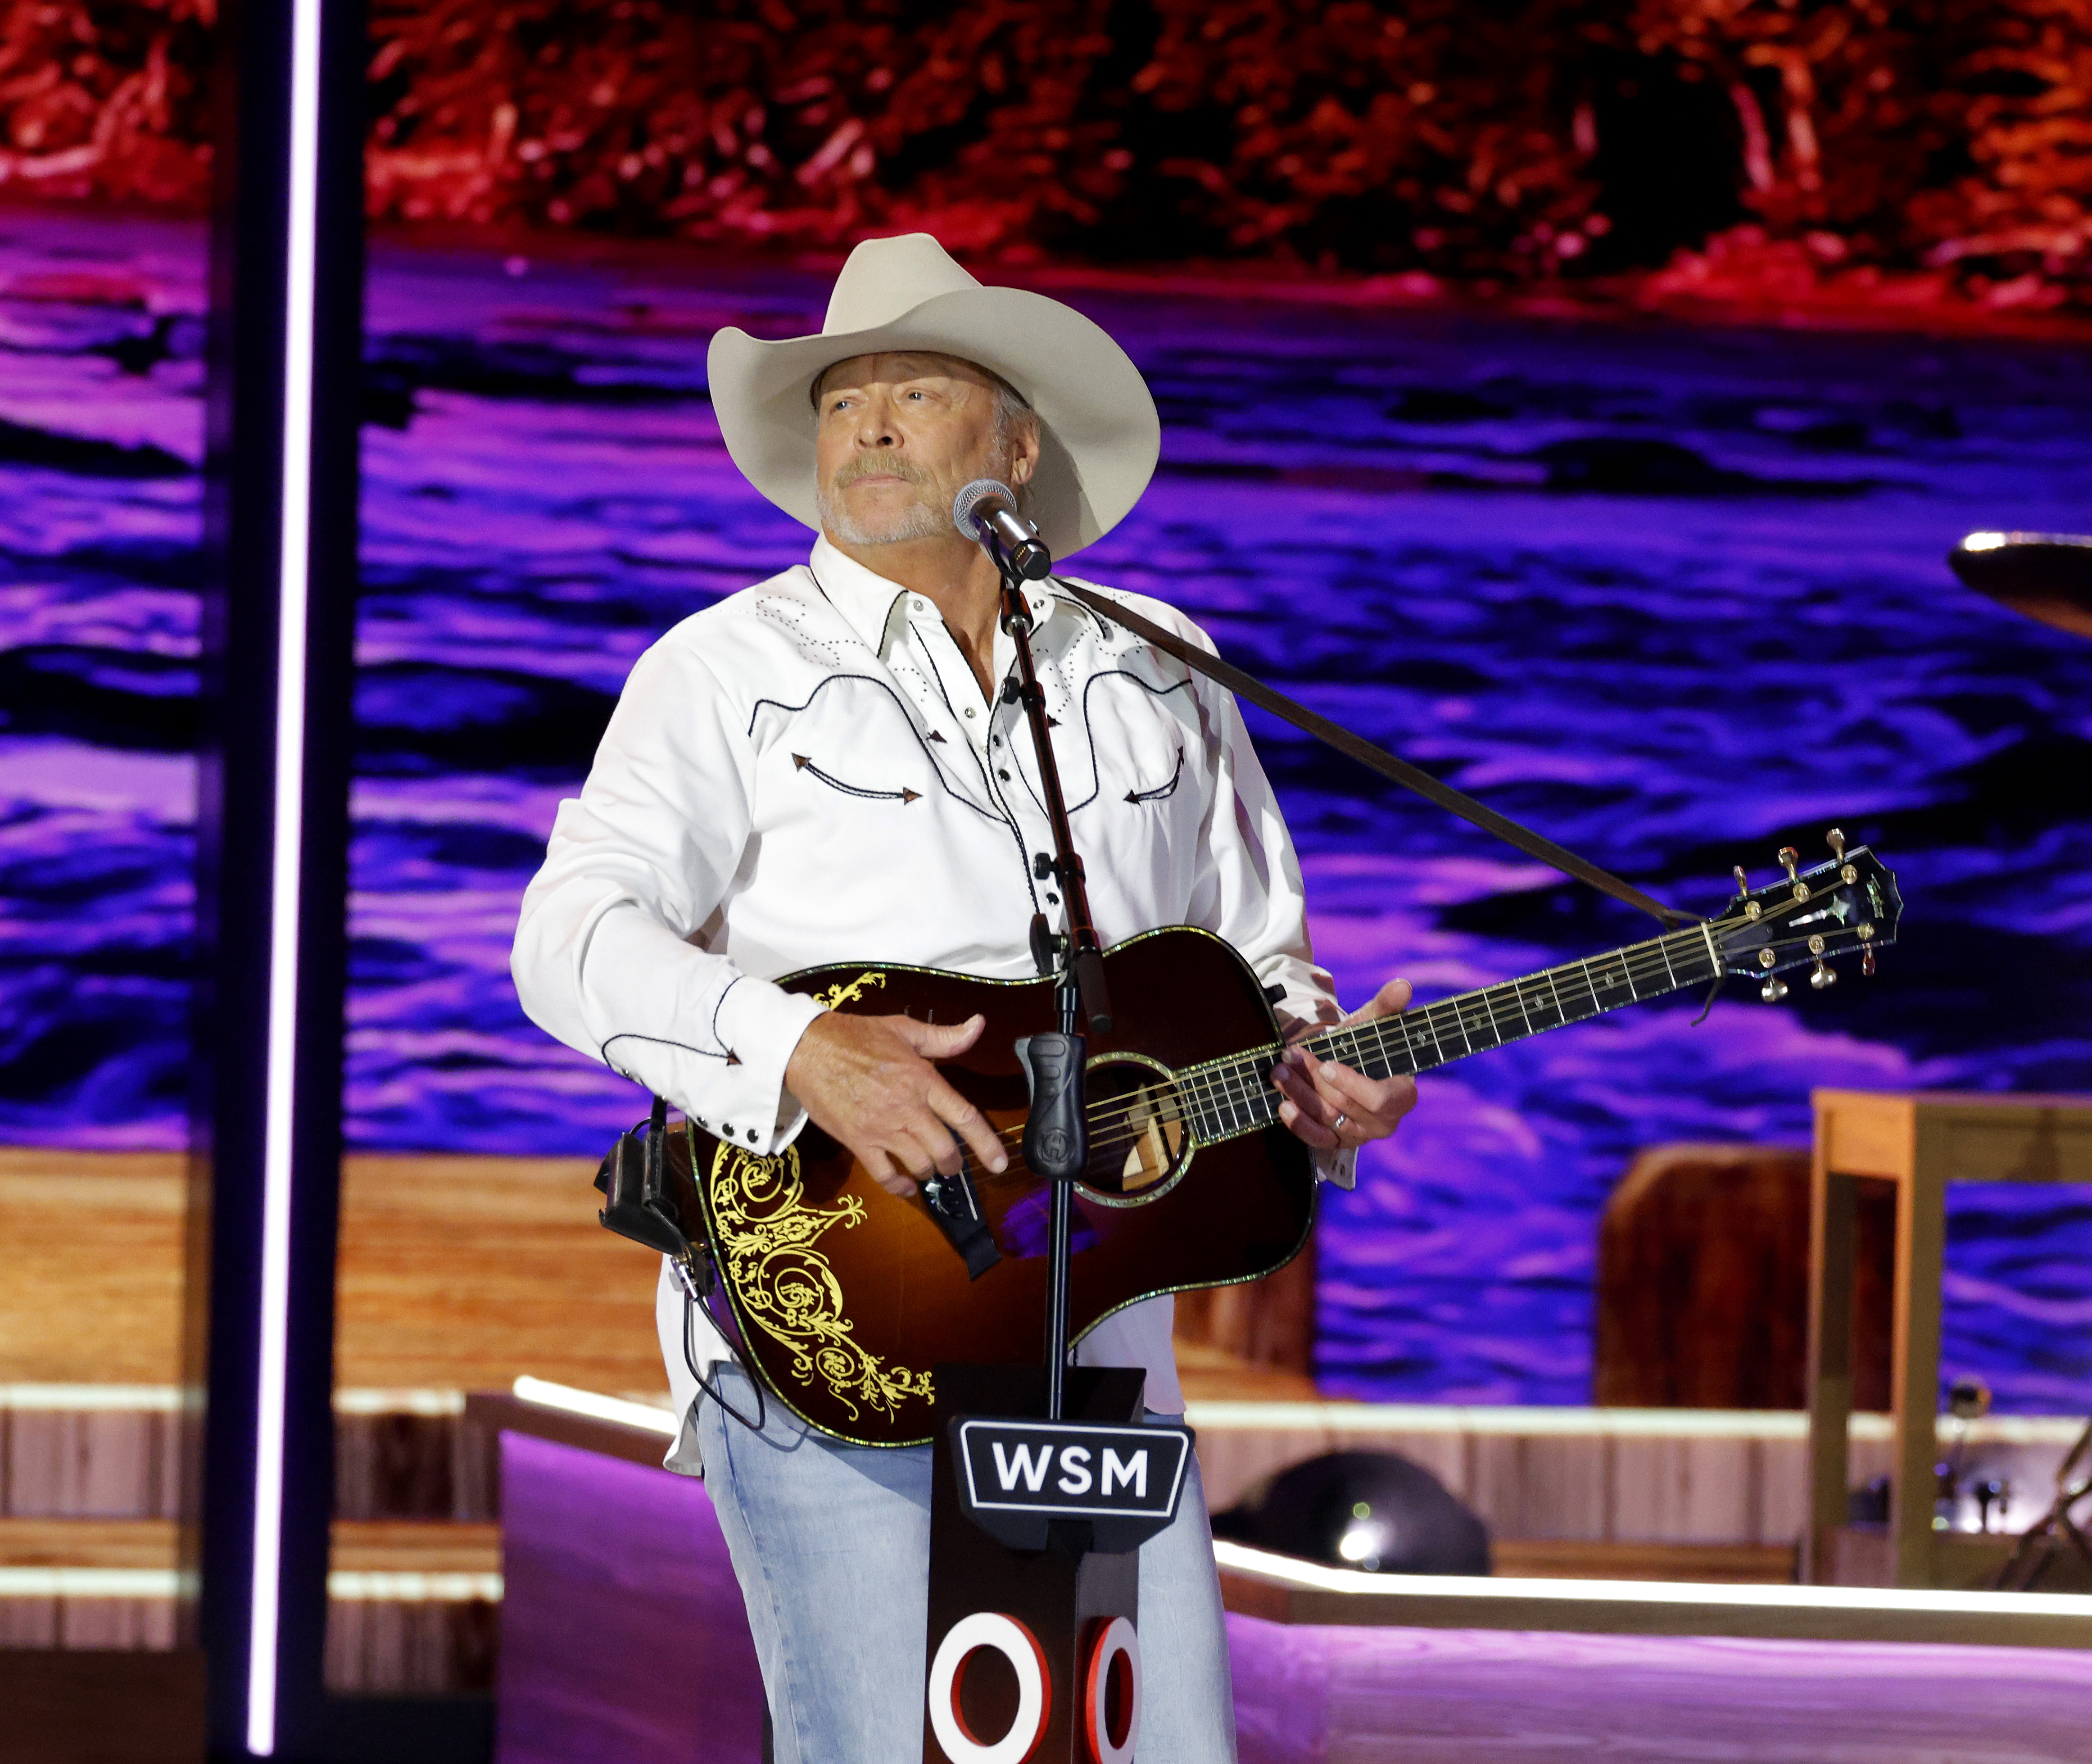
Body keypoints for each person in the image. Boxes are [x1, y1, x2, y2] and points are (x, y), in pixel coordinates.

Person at [512, 232, 1419, 1762]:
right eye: (841, 396)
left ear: (1015, 443)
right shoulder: (719, 672)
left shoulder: (1163, 669)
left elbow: (1258, 964)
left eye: (912, 390)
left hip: (1104, 1352)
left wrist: (1325, 1079)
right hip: (835, 1325)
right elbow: (569, 935)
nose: (863, 421)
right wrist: (801, 1048)